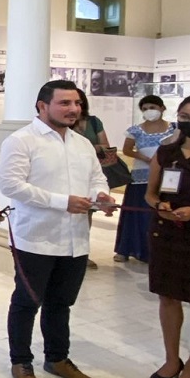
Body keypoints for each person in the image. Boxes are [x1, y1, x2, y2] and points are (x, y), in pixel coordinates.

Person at [0, 80, 115, 378]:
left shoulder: (81, 143)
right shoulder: (21, 141)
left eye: (76, 103)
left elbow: (96, 178)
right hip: (35, 238)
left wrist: (100, 196)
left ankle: (58, 359)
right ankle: (21, 362)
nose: (73, 109)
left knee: (61, 303)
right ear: (41, 106)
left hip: (75, 239)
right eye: (64, 103)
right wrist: (60, 201)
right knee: (26, 302)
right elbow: (11, 185)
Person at [144, 96, 190, 378]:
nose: (189, 121)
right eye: (185, 116)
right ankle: (172, 359)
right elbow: (149, 193)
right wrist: (158, 203)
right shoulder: (166, 152)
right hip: (167, 235)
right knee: (168, 298)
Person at [114, 95, 175, 263]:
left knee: (159, 214)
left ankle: (158, 250)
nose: (150, 111)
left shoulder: (173, 128)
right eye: (145, 108)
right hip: (140, 176)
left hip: (166, 177)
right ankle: (126, 248)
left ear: (162, 108)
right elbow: (127, 150)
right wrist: (145, 158)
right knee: (135, 213)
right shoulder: (135, 130)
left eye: (153, 107)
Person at [71, 89, 110, 270]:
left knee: (87, 213)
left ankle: (82, 253)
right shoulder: (64, 124)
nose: (74, 107)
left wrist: (89, 147)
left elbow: (105, 146)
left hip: (89, 174)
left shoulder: (94, 122)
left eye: (78, 103)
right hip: (70, 174)